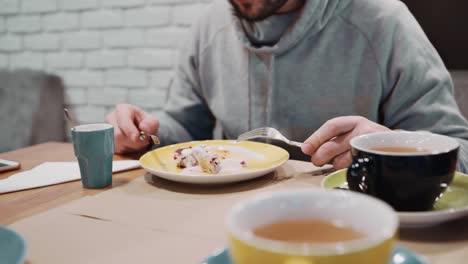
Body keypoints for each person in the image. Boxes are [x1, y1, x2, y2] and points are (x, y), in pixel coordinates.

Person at [106, 0, 468, 172]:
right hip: (222, 225)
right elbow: (187, 129)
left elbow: (460, 152)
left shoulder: (382, 22)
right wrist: (144, 134)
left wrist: (387, 147)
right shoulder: (208, 27)